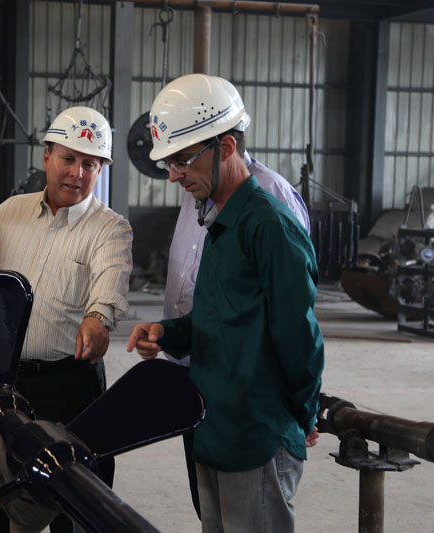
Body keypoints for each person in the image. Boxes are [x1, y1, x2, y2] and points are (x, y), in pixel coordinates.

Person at [127, 74, 324, 532]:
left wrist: (303, 416)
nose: (173, 175)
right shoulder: (219, 219)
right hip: (213, 424)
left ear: (227, 147)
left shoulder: (269, 225)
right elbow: (218, 316)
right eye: (169, 162)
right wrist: (168, 332)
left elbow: (298, 335)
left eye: (181, 160)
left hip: (256, 433)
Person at [0, 106, 133, 532]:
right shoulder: (9, 214)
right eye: (68, 158)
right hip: (7, 386)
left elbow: (110, 281)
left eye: (90, 164)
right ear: (46, 157)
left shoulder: (110, 229)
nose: (77, 173)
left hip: (72, 387)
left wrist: (98, 318)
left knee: (75, 508)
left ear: (101, 169)